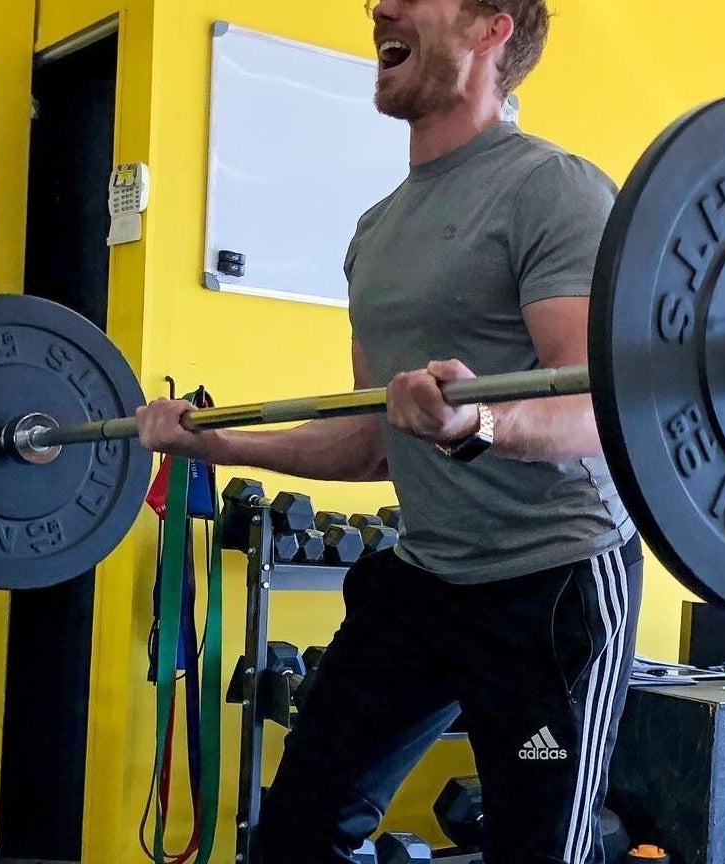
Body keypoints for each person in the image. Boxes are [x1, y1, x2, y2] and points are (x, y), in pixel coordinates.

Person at [136, 1, 642, 861]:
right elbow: (375, 438)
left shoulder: (551, 189)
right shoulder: (376, 231)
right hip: (428, 579)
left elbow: (599, 411)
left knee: (537, 850)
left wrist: (474, 421)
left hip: (550, 589)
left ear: (492, 30)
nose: (380, 7)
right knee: (295, 834)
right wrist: (212, 445)